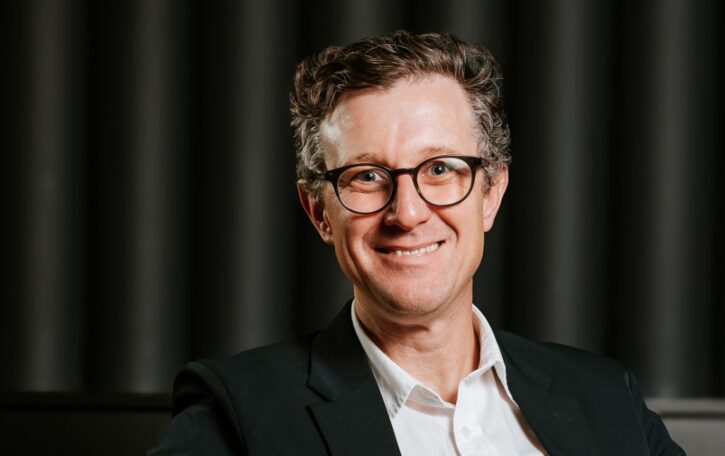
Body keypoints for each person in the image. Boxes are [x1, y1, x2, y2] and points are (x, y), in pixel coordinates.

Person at [150, 31, 684, 455]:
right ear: (319, 212)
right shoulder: (241, 411)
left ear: (491, 194)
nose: (406, 213)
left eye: (441, 169)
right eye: (366, 176)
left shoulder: (603, 395)